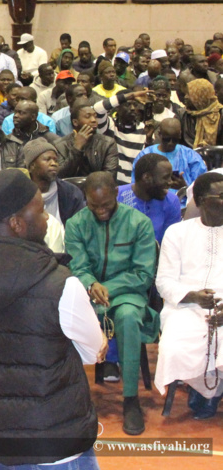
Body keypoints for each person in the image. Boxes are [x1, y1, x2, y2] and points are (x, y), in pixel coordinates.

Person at [0, 169, 104, 468]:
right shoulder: (61, 284)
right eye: (40, 211)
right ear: (17, 224)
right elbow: (93, 352)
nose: (48, 219)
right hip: (52, 446)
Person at [64, 171, 157, 435]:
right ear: (86, 200)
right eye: (94, 206)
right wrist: (92, 284)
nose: (101, 211)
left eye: (106, 205)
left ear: (117, 194)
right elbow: (77, 265)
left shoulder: (139, 223)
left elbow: (143, 273)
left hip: (128, 293)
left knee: (127, 317)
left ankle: (131, 400)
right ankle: (72, 398)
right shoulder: (76, 224)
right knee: (58, 317)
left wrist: (109, 287)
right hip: (88, 294)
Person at [154, 172, 223, 419]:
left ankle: (213, 390)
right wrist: (192, 296)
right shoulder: (177, 233)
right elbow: (163, 282)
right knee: (175, 345)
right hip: (185, 306)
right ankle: (203, 388)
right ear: (203, 200)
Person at [133, 117, 204, 208]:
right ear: (159, 134)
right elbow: (136, 187)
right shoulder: (145, 155)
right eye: (166, 139)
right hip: (150, 206)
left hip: (183, 207)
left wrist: (185, 188)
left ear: (180, 135)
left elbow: (202, 189)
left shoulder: (191, 156)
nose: (170, 143)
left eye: (175, 140)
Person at [117, 153, 182, 244]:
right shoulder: (116, 196)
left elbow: (170, 243)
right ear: (146, 177)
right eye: (165, 177)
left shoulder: (171, 201)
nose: (170, 182)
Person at [22, 138, 86, 226]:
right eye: (47, 159)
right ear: (32, 166)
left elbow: (79, 229)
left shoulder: (71, 193)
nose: (53, 163)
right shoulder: (19, 195)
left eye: (56, 160)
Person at [54, 101, 119, 179]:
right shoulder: (60, 145)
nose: (93, 120)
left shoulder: (108, 143)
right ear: (75, 122)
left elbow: (110, 176)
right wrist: (77, 148)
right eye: (88, 116)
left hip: (97, 188)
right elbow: (60, 176)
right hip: (69, 189)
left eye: (95, 116)